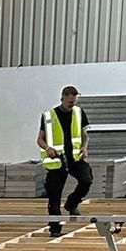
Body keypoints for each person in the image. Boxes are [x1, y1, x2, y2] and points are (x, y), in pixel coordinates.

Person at [35, 85, 91, 238]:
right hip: (57, 161)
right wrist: (48, 148)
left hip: (75, 158)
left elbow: (85, 135)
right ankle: (55, 228)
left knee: (86, 180)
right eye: (70, 102)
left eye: (74, 101)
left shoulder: (79, 113)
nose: (72, 104)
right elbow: (40, 139)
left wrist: (84, 147)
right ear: (63, 98)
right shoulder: (49, 116)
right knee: (54, 196)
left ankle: (72, 203)